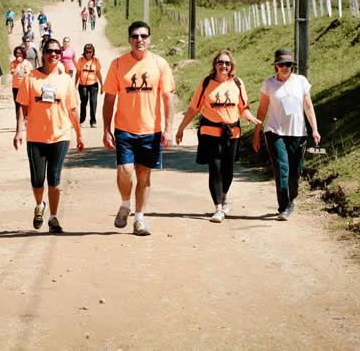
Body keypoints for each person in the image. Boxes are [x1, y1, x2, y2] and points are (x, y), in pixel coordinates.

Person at [103, 21, 175, 236]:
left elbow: (168, 97)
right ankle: (125, 204)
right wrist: (106, 130)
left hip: (150, 130)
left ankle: (140, 219)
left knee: (144, 176)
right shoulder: (117, 64)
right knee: (125, 171)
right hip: (124, 129)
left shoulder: (160, 64)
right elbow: (109, 98)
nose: (139, 40)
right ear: (129, 40)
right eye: (135, 36)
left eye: (143, 36)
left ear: (149, 39)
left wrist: (168, 129)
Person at [175, 50, 261, 223]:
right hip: (210, 132)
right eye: (220, 62)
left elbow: (243, 108)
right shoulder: (206, 83)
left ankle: (224, 196)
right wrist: (181, 128)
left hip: (232, 133)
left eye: (227, 63)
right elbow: (194, 108)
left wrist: (249, 117)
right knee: (215, 167)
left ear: (231, 66)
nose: (224, 66)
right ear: (215, 64)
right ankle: (218, 208)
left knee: (228, 169)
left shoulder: (237, 83)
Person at [14, 38, 84, 233]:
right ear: (43, 54)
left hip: (60, 136)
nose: (53, 54)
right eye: (50, 51)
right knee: (37, 180)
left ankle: (53, 217)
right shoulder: (31, 78)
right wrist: (19, 130)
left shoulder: (66, 80)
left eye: (57, 51)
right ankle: (39, 206)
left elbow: (73, 109)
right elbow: (23, 106)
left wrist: (79, 134)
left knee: (54, 180)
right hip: (35, 137)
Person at [253, 48, 321, 221]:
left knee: (294, 173)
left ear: (292, 66)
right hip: (275, 132)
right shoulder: (269, 84)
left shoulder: (301, 82)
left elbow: (308, 107)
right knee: (281, 169)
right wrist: (256, 133)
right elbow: (262, 110)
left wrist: (315, 129)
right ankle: (283, 207)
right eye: (281, 64)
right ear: (276, 66)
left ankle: (291, 199)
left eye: (288, 65)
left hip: (298, 133)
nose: (284, 68)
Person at [75, 43, 103, 128]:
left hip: (93, 85)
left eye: (90, 52)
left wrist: (102, 85)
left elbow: (98, 74)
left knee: (93, 102)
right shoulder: (80, 60)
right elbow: (78, 73)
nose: (88, 54)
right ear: (84, 52)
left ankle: (93, 121)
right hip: (83, 85)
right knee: (84, 102)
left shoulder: (96, 61)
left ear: (93, 52)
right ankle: (82, 120)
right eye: (87, 52)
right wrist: (75, 84)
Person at [10, 45, 33, 122]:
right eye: (16, 53)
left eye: (20, 53)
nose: (18, 55)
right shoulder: (13, 63)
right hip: (16, 87)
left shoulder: (28, 63)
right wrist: (19, 64)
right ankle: (19, 120)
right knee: (17, 105)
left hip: (26, 86)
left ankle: (27, 118)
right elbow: (14, 73)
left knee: (26, 104)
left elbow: (32, 74)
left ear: (23, 54)